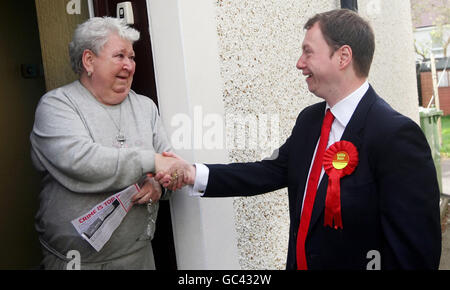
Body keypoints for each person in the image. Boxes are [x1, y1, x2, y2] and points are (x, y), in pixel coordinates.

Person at [156, 9, 442, 269]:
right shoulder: (309, 121)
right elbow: (267, 172)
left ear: (343, 57)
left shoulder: (395, 136)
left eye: (308, 52)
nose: (299, 63)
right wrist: (193, 173)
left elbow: (414, 253)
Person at [30, 17, 179, 270]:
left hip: (138, 256)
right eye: (120, 55)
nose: (129, 66)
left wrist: (159, 185)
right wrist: (152, 161)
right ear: (89, 60)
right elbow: (81, 161)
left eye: (131, 58)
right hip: (76, 262)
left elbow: (171, 165)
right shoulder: (56, 105)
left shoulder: (145, 107)